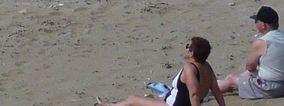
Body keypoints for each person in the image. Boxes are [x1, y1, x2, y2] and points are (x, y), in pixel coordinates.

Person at [96, 37, 226, 106]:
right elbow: (216, 90)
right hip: (175, 99)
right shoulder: (206, 66)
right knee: (156, 98)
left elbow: (194, 96)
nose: (185, 48)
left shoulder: (189, 68)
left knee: (133, 99)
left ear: (191, 53)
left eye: (188, 46)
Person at [220, 6, 284, 99]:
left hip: (272, 88)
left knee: (231, 79)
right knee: (248, 73)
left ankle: (206, 89)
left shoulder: (262, 42)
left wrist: (254, 72)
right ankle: (218, 83)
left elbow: (250, 66)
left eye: (256, 22)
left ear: (262, 25)